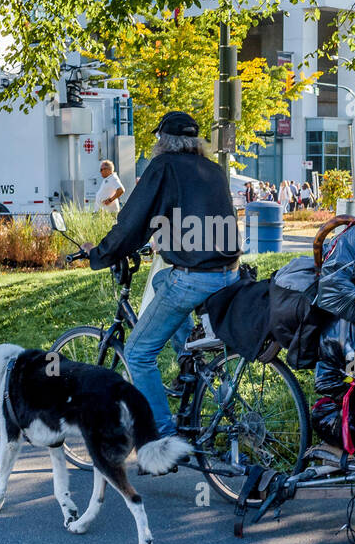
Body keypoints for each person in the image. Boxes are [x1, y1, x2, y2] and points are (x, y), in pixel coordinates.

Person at [82, 111, 242, 440]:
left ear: (163, 142)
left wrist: (101, 252)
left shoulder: (164, 167)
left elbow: (132, 221)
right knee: (158, 282)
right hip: (230, 274)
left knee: (139, 354)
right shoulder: (213, 170)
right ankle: (188, 358)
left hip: (193, 277)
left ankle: (164, 437)